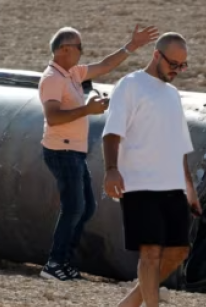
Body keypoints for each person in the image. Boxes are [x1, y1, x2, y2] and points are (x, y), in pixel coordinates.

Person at [102, 32, 202, 307]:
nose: (177, 70)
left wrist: (189, 188)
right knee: (150, 253)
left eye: (183, 66)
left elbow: (180, 146)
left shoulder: (172, 95)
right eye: (174, 63)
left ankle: (130, 306)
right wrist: (111, 169)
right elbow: (112, 131)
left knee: (178, 252)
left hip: (171, 184)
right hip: (140, 183)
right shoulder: (130, 85)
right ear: (157, 55)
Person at [38, 24, 159, 281]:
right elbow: (53, 116)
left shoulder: (71, 74)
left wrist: (131, 46)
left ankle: (64, 261)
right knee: (74, 207)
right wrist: (87, 110)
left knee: (86, 207)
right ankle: (55, 263)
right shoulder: (52, 79)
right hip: (62, 150)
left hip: (73, 151)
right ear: (64, 49)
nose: (82, 53)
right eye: (79, 47)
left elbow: (104, 66)